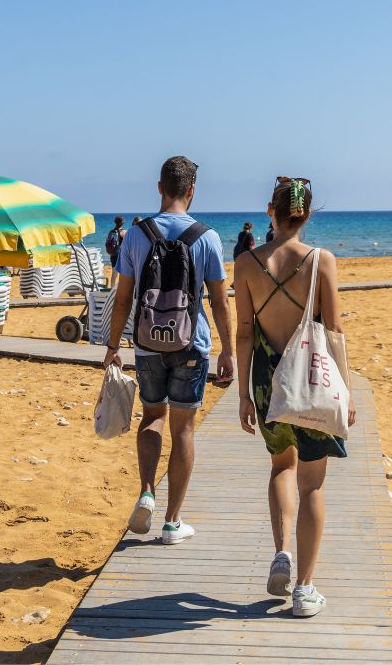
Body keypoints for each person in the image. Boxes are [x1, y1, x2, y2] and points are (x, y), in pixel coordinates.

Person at [233, 176, 355, 618]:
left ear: (272, 210)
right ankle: (304, 589)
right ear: (307, 214)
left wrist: (244, 393)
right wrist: (347, 388)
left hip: (268, 380)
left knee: (280, 466)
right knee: (313, 483)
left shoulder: (246, 263)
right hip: (312, 380)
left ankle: (281, 552)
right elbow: (334, 331)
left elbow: (244, 332)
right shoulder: (322, 261)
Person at [103, 156, 235, 546]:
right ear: (191, 192)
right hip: (191, 344)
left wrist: (113, 346)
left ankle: (147, 492)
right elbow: (220, 302)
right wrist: (228, 350)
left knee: (152, 418)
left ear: (159, 187)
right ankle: (173, 522)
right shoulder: (207, 238)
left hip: (146, 344)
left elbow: (123, 297)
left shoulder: (136, 235)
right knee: (184, 428)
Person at [104, 216, 127, 288]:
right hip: (122, 256)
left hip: (113, 255)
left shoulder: (111, 232)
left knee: (114, 274)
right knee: (122, 275)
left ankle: (112, 290)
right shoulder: (124, 232)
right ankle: (121, 290)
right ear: (123, 223)